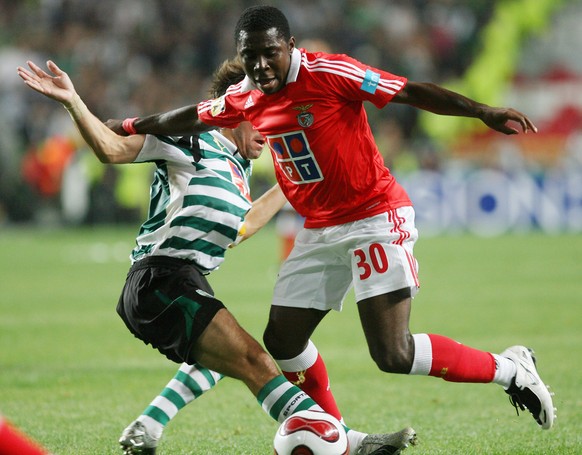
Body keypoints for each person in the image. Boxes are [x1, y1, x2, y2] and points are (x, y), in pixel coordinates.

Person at [105, 4, 556, 434]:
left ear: (291, 46)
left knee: (392, 353)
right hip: (320, 228)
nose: (261, 66)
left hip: (375, 215)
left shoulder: (329, 72)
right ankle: (335, 436)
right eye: (250, 57)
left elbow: (409, 91)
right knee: (282, 342)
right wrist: (130, 126)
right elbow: (188, 117)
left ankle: (510, 370)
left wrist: (481, 111)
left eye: (270, 53)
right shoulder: (243, 96)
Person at [17, 59, 416, 455]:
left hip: (187, 281)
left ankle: (148, 426)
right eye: (262, 115)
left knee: (222, 358)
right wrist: (72, 101)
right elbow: (111, 148)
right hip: (160, 279)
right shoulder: (189, 139)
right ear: (236, 107)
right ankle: (349, 442)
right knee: (255, 361)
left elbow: (242, 227)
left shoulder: (238, 171)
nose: (270, 129)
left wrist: (294, 181)